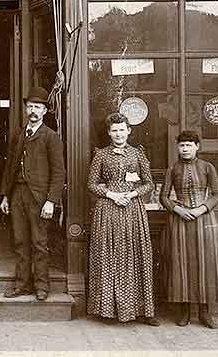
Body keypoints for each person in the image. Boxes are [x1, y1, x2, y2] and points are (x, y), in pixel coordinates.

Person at [86, 112, 159, 325]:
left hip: (132, 210)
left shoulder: (138, 154)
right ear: (109, 133)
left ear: (129, 130)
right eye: (114, 130)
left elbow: (148, 183)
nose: (118, 134)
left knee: (134, 256)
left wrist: (132, 194)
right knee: (109, 256)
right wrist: (112, 195)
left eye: (122, 130)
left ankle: (142, 311)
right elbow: (91, 184)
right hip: (108, 209)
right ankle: (108, 310)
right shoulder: (101, 155)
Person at [0, 86, 65, 301]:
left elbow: (58, 172)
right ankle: (22, 285)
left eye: (38, 107)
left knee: (39, 242)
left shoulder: (51, 137)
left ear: (45, 111)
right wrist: (5, 195)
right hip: (18, 194)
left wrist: (51, 201)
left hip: (39, 198)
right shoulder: (19, 135)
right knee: (20, 241)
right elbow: (10, 167)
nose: (33, 111)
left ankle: (42, 287)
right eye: (30, 107)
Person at [159, 130, 218, 328]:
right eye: (182, 145)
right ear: (178, 148)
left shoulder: (207, 167)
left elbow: (217, 194)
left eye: (189, 145)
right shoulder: (172, 169)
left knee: (205, 264)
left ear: (197, 146)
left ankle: (205, 313)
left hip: (204, 221)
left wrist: (201, 209)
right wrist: (178, 209)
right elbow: (163, 197)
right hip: (180, 221)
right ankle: (185, 312)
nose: (185, 149)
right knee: (181, 265)